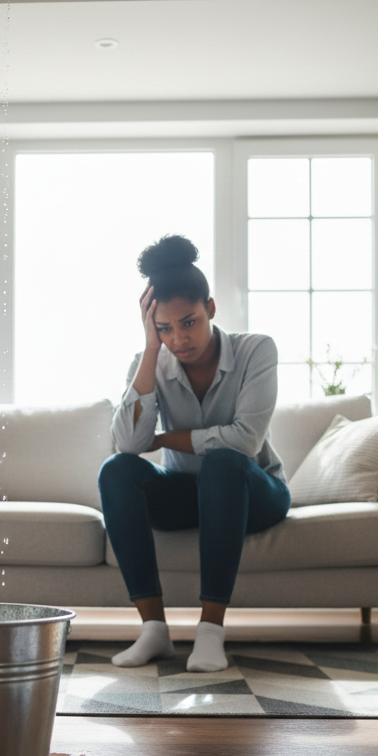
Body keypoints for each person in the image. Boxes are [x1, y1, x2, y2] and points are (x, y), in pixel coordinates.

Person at [99, 234, 290, 672]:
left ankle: (210, 633)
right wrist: (150, 350)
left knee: (224, 463)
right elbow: (129, 446)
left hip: (256, 492)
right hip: (189, 493)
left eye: (189, 322)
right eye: (164, 328)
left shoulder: (256, 350)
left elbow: (244, 442)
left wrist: (167, 439)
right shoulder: (152, 360)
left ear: (211, 308)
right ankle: (154, 631)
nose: (179, 339)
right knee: (116, 471)